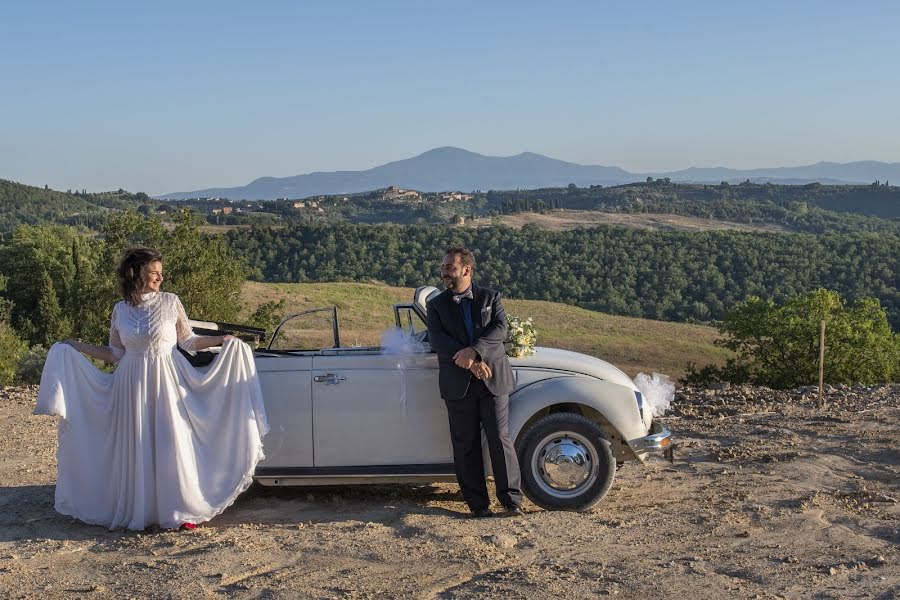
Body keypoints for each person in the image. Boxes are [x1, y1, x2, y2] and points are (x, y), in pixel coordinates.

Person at [34, 246, 269, 530]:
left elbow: (189, 341)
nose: (160, 277)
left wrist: (223, 339)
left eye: (160, 272)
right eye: (154, 272)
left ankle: (179, 512)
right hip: (130, 384)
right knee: (136, 445)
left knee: (171, 442)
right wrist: (77, 346)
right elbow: (114, 353)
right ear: (137, 274)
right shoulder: (119, 309)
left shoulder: (170, 302)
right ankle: (140, 511)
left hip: (167, 382)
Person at [426, 247, 524, 518]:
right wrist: (471, 362)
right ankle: (478, 506)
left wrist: (475, 351)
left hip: (493, 380)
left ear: (466, 270)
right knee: (465, 443)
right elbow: (437, 339)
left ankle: (512, 502)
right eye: (444, 266)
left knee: (500, 439)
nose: (444, 271)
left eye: (449, 267)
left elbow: (500, 330)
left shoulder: (491, 298)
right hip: (459, 385)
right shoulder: (436, 305)